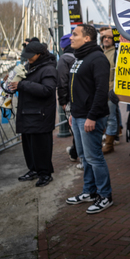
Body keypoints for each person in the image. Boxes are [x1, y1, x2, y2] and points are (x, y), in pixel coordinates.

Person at [65, 24, 113, 214]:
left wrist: (91, 116)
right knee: (84, 157)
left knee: (94, 157)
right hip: (78, 116)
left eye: (75, 35)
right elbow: (75, 88)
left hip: (90, 116)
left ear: (87, 38)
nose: (71, 38)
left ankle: (105, 195)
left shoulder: (98, 58)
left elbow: (102, 91)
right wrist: (72, 114)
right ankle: (90, 192)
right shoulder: (80, 57)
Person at [12, 41, 57, 187]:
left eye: (31, 56)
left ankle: (45, 174)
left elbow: (47, 90)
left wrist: (22, 85)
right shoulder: (30, 66)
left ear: (40, 54)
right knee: (28, 145)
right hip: (28, 112)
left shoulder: (48, 69)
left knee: (41, 146)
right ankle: (33, 169)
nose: (28, 59)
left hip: (40, 114)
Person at [57, 33, 78, 163]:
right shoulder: (78, 56)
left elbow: (62, 81)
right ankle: (75, 151)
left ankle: (76, 153)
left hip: (71, 99)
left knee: (74, 128)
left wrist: (62, 101)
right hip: (80, 98)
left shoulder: (64, 59)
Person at [99, 26, 119, 154]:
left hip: (110, 91)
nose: (106, 39)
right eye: (104, 37)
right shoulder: (99, 51)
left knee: (111, 118)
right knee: (101, 118)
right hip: (99, 91)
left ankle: (109, 144)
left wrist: (113, 90)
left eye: (109, 37)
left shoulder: (117, 53)